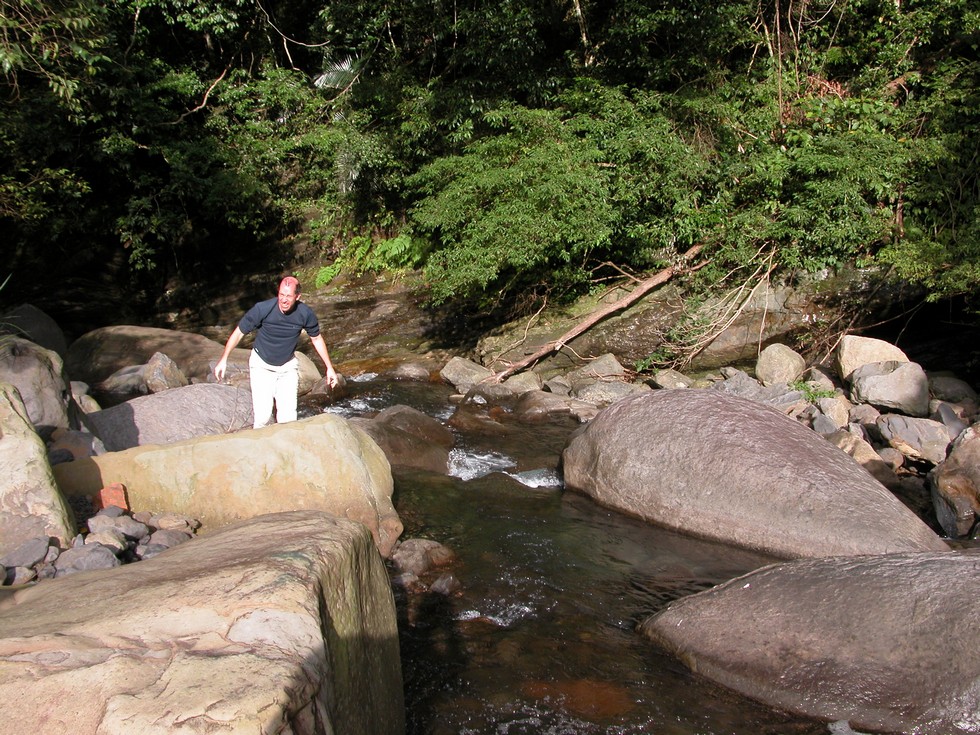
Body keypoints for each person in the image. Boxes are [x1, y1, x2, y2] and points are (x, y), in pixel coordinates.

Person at [213, 276, 339, 429]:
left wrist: (329, 368)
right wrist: (224, 359)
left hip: (287, 367)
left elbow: (317, 339)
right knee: (263, 417)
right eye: (281, 295)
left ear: (297, 297)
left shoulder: (305, 314)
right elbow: (239, 332)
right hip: (261, 365)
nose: (284, 300)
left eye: (288, 296)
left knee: (288, 419)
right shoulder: (263, 309)